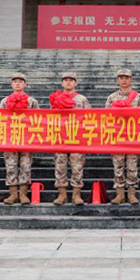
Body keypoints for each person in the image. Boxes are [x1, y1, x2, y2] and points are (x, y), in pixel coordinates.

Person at [106, 68, 140, 205]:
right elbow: (105, 117)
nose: (124, 80)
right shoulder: (111, 98)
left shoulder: (138, 97)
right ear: (118, 80)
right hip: (117, 137)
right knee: (118, 166)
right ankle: (120, 194)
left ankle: (132, 193)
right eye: (121, 78)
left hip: (133, 137)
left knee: (132, 166)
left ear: (131, 79)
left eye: (126, 78)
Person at [50, 72, 91, 206]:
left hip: (77, 138)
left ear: (76, 83)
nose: (68, 82)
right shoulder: (56, 98)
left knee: (77, 167)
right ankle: (62, 194)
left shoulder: (82, 99)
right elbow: (49, 117)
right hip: (60, 137)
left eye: (71, 80)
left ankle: (76, 194)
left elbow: (90, 117)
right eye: (66, 80)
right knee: (60, 166)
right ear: (62, 83)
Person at [0, 73, 39, 205]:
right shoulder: (5, 101)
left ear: (25, 84)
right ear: (11, 84)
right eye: (15, 81)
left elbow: (38, 119)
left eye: (20, 81)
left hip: (27, 138)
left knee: (25, 166)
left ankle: (23, 194)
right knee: (10, 166)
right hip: (10, 138)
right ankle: (13, 194)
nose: (17, 83)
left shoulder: (32, 101)